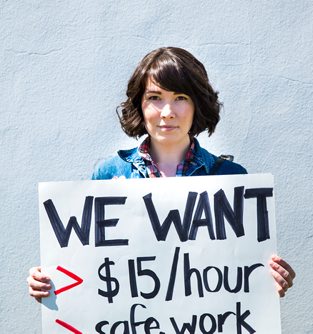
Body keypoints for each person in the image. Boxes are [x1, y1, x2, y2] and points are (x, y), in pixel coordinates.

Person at [27, 47, 295, 301]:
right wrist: (51, 283)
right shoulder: (109, 175)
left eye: (180, 98)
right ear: (140, 106)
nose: (167, 112)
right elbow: (88, 267)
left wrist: (268, 280)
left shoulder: (231, 179)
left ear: (197, 105)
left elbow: (242, 273)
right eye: (155, 98)